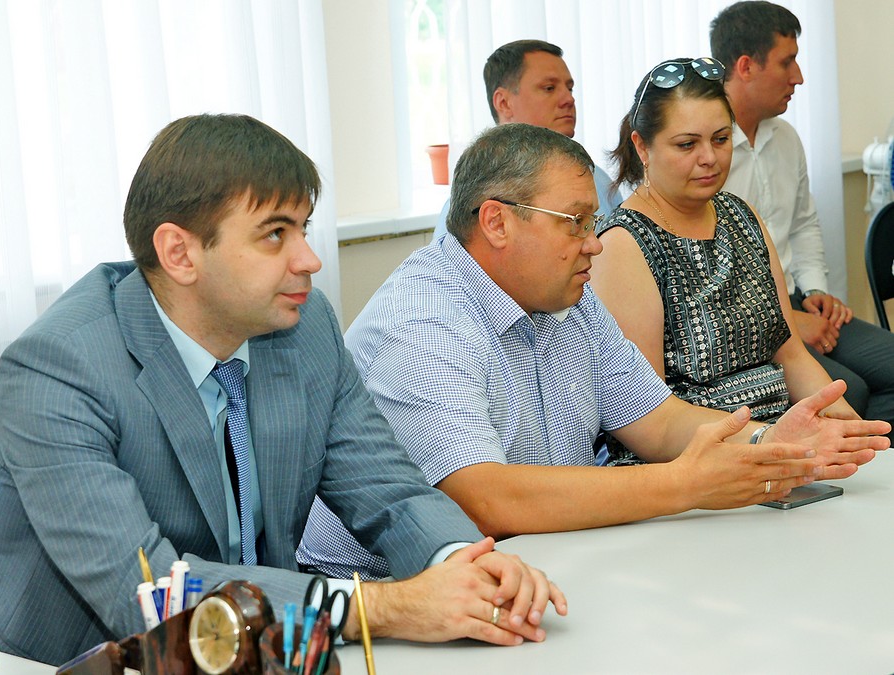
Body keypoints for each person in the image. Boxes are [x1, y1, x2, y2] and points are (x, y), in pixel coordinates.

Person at [0, 114, 566, 667]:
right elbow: (147, 592)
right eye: (274, 234)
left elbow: (389, 492)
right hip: (85, 661)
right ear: (179, 253)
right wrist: (383, 608)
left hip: (271, 651)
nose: (309, 260)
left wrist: (465, 564)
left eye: (303, 229)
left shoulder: (303, 326)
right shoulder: (56, 371)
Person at [296, 122, 889, 580]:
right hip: (394, 599)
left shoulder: (565, 295)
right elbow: (484, 499)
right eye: (575, 222)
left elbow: (658, 422)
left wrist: (769, 444)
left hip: (547, 559)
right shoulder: (421, 321)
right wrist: (685, 485)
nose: (595, 244)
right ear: (497, 222)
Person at [590, 56, 859, 466]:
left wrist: (846, 424)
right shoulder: (623, 244)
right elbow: (650, 418)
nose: (709, 158)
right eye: (687, 144)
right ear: (642, 146)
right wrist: (768, 440)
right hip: (691, 464)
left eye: (720, 139)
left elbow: (790, 353)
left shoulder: (740, 215)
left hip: (780, 445)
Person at [710, 0, 894, 430]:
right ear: (745, 66)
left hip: (793, 298)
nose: (799, 77)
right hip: (743, 321)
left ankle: (871, 463)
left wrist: (815, 290)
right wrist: (787, 321)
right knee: (850, 390)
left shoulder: (786, 137)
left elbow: (803, 224)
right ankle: (852, 461)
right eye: (786, 62)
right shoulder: (705, 154)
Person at [431, 39, 621, 239]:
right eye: (549, 88)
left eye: (570, 89)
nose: (569, 99)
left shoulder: (597, 180)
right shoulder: (471, 205)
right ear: (504, 103)